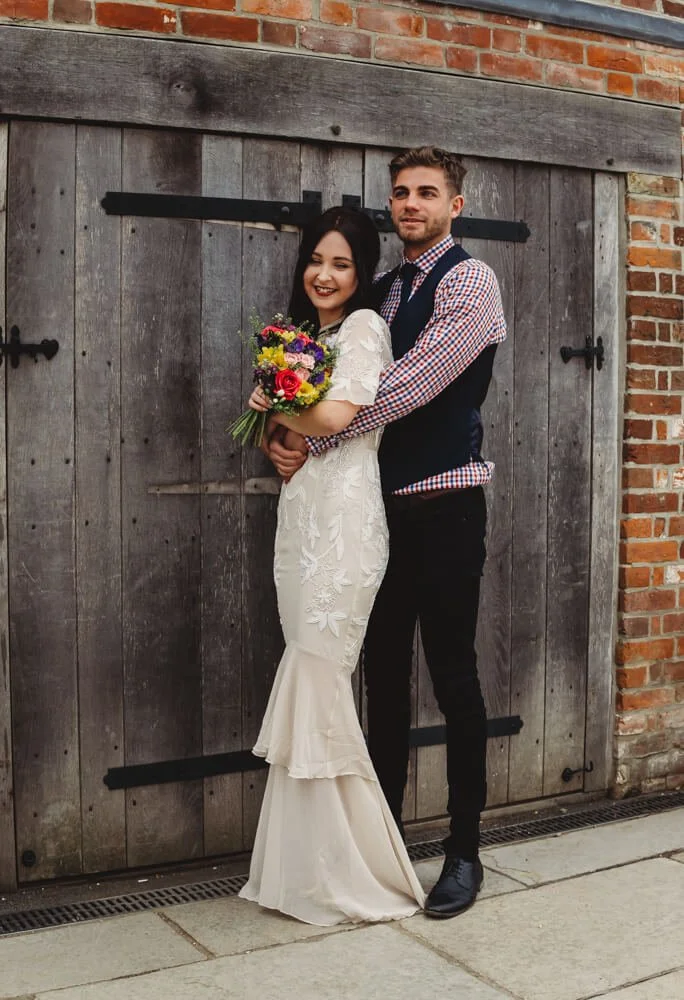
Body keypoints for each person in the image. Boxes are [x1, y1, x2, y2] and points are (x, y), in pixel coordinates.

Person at [266, 147, 507, 919]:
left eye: (426, 193)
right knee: (383, 685)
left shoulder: (469, 281)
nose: (410, 203)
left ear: (454, 203)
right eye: (401, 192)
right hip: (372, 511)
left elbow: (411, 384)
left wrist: (315, 434)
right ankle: (384, 843)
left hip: (443, 503)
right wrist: (281, 420)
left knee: (453, 675)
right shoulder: (379, 289)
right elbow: (332, 368)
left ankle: (465, 852)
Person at [238, 206, 425, 925]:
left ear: (363, 272)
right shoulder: (305, 336)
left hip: (346, 528)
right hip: (300, 522)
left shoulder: (363, 330)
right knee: (307, 673)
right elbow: (283, 433)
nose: (325, 273)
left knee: (320, 675)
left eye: (342, 263)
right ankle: (300, 869)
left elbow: (340, 419)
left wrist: (277, 407)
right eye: (318, 259)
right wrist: (271, 429)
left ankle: (355, 869)